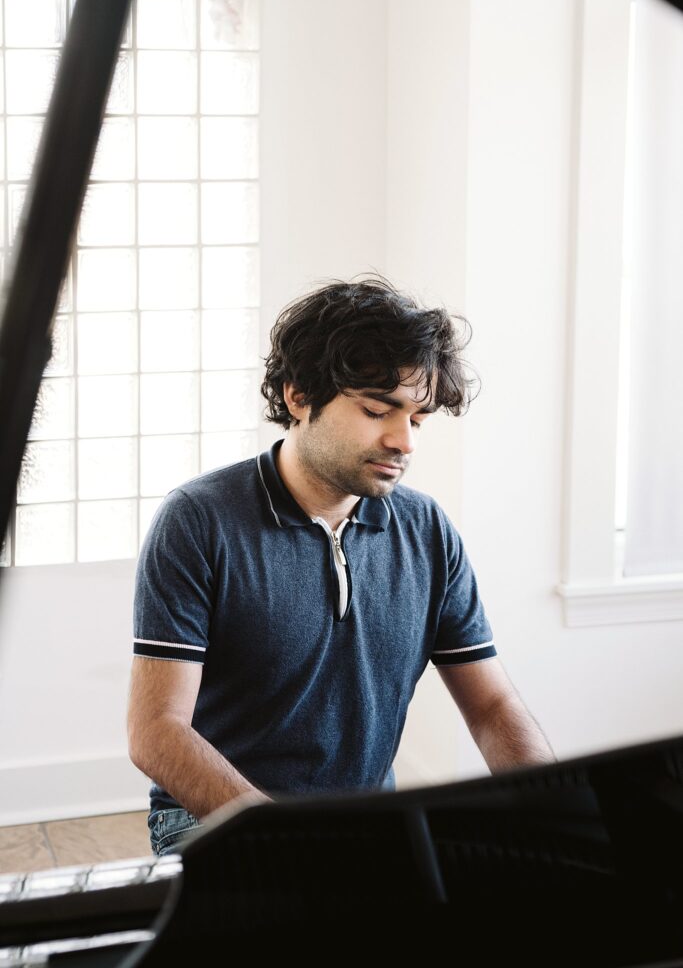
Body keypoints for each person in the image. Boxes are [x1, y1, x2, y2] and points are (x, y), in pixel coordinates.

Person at [127, 276, 554, 857]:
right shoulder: (199, 521)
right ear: (299, 396)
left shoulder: (426, 530)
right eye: (379, 410)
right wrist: (292, 841)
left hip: (366, 824)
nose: (404, 440)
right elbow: (156, 733)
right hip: (216, 818)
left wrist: (557, 814)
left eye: (418, 419)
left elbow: (492, 706)